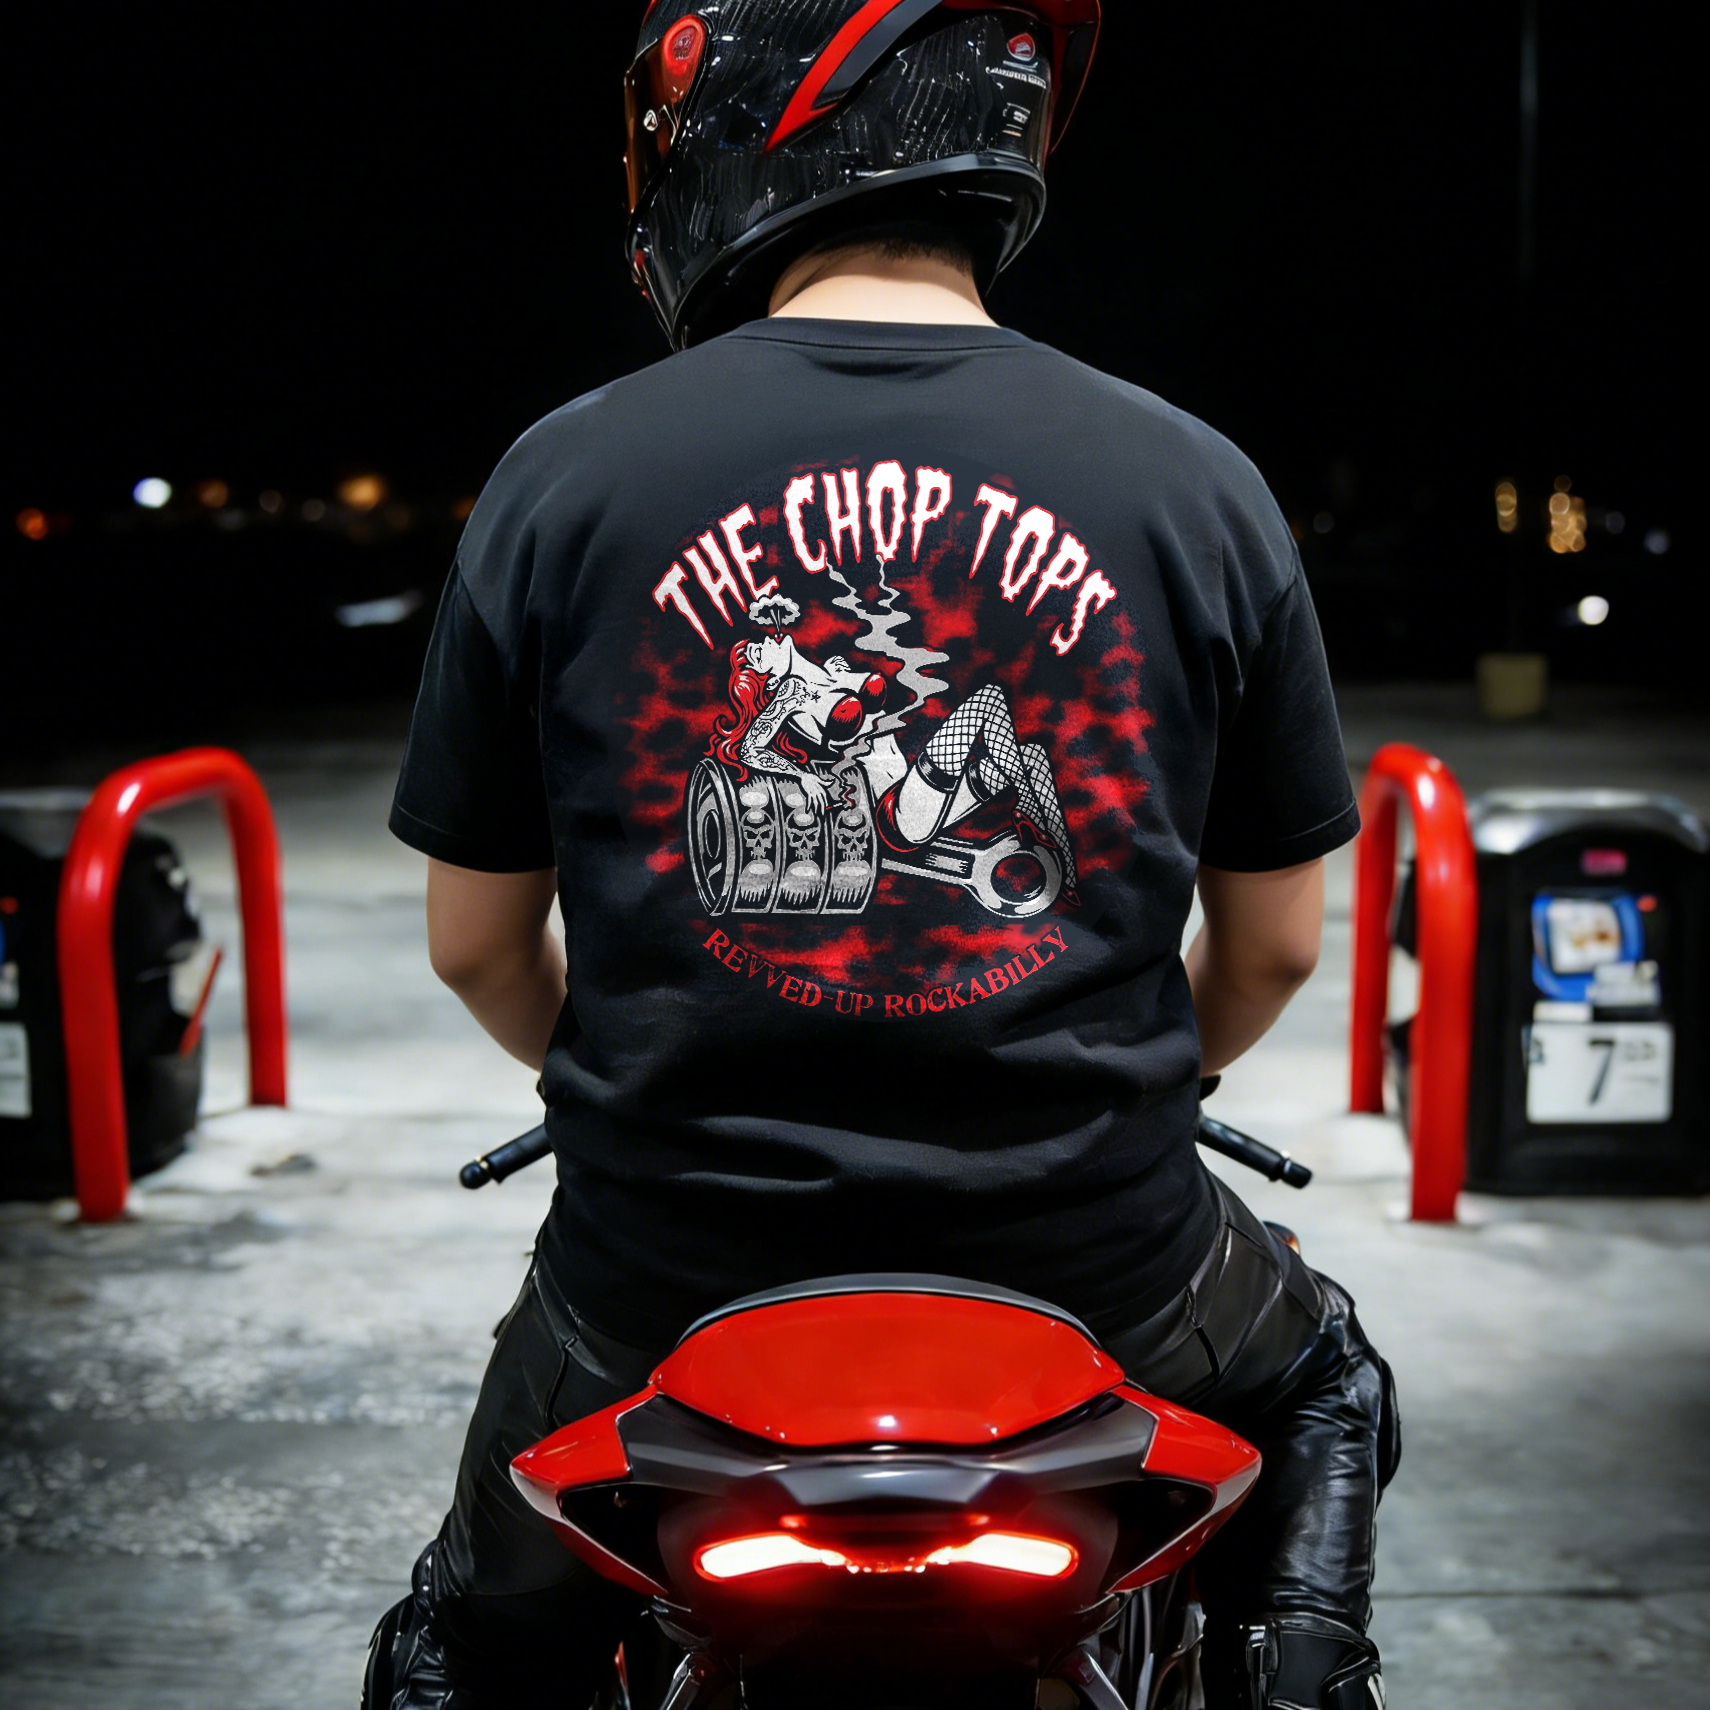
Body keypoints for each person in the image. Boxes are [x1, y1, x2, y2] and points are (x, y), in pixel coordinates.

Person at [365, 5, 1399, 1708]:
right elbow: (1276, 945)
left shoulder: (559, 475)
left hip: (664, 1270)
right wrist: (1132, 1077)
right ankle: (1302, 1676)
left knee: (468, 1642)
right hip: (1099, 1258)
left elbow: (476, 944)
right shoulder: (1198, 482)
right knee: (1322, 1377)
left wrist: (644, 1074)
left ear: (740, 140)